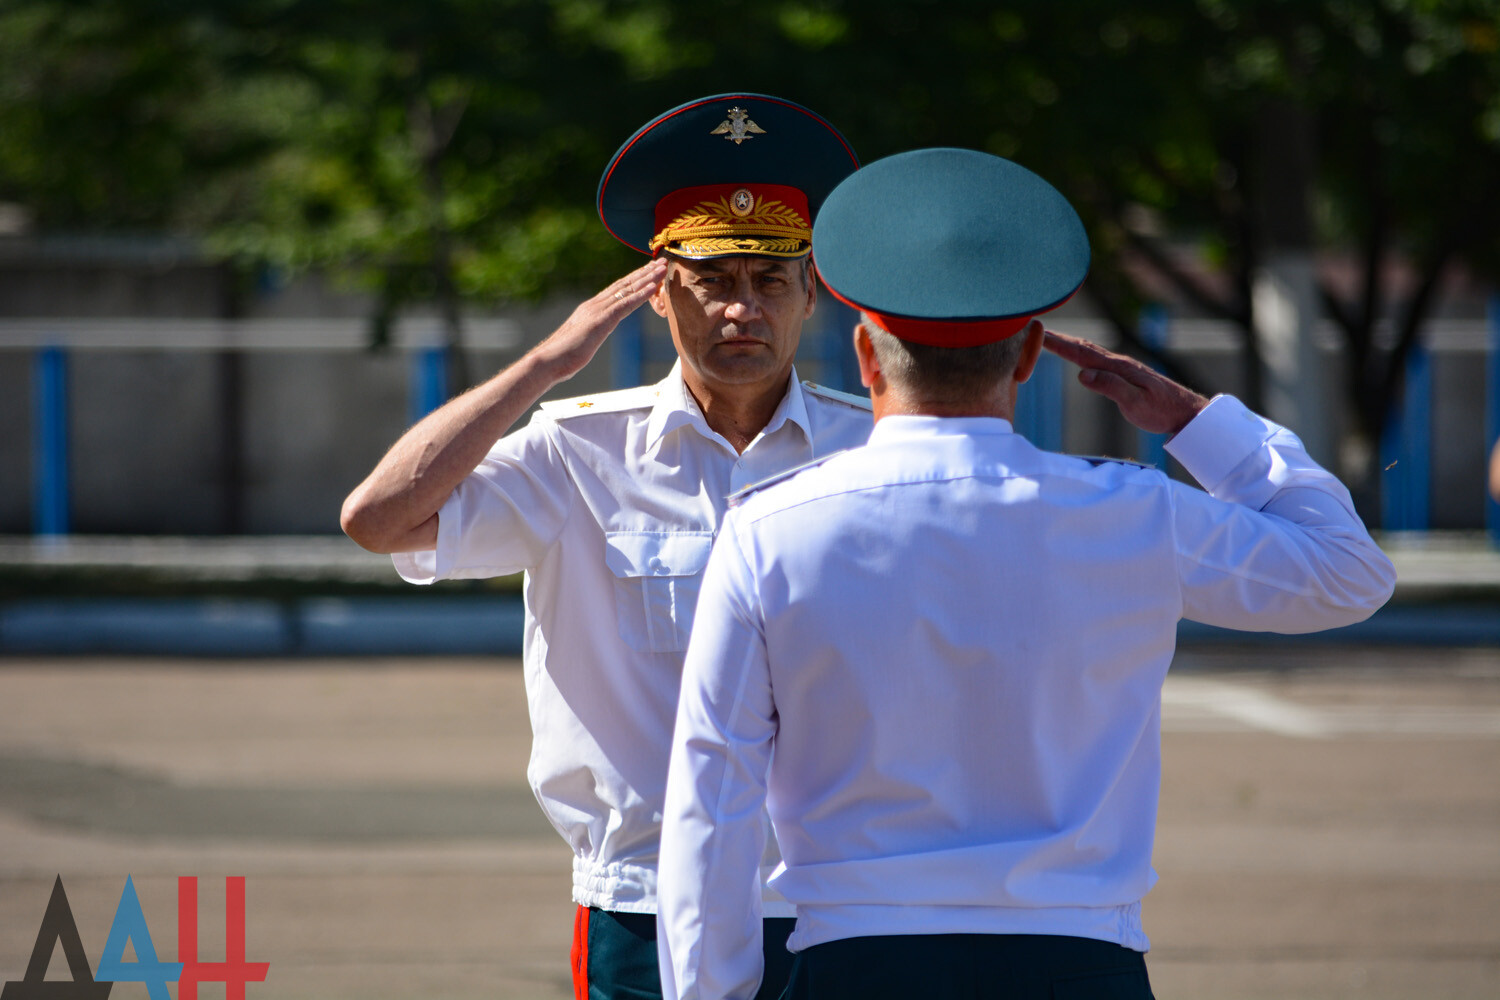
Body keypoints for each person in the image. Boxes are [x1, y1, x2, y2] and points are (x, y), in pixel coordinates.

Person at [657, 148, 1397, 1000]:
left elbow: (712, 807)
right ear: (1029, 356)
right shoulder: (1134, 514)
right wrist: (1196, 421)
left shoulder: (769, 531)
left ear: (865, 355)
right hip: (1079, 964)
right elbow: (1348, 572)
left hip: (856, 962)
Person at [340, 94, 869, 1000]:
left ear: (811, 293)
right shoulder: (576, 452)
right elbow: (379, 519)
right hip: (642, 900)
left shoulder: (873, 450)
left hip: (835, 896)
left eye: (770, 280)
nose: (742, 308)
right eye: (714, 280)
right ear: (662, 292)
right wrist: (545, 364)